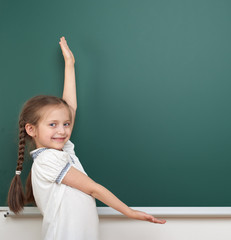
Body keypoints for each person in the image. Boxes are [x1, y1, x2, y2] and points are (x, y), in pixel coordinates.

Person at [7, 37, 166, 240]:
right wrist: (130, 212)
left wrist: (70, 64)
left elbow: (70, 107)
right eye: (52, 125)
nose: (62, 130)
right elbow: (93, 188)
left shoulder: (62, 152)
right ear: (31, 129)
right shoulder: (48, 160)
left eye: (65, 124)